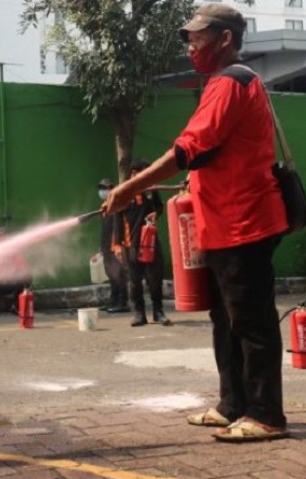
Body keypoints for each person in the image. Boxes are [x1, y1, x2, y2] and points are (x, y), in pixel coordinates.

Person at [102, 4, 289, 440]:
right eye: (188, 39)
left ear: (225, 38)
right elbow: (209, 155)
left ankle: (266, 415)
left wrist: (129, 187)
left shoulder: (231, 82)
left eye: (197, 37)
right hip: (223, 223)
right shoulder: (223, 83)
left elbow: (187, 149)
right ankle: (233, 404)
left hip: (245, 221)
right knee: (225, 318)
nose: (190, 46)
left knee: (251, 321)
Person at [111, 162, 171, 327]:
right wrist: (117, 244)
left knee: (155, 278)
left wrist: (155, 214)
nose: (148, 176)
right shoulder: (124, 192)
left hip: (150, 241)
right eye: (145, 172)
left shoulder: (152, 189)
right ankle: (139, 314)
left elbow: (159, 207)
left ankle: (158, 312)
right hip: (130, 244)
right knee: (135, 280)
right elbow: (117, 219)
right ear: (134, 173)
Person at [97, 178, 130, 313]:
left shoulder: (116, 206)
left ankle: (122, 303)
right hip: (106, 247)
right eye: (101, 188)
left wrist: (117, 245)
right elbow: (106, 230)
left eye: (105, 188)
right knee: (111, 275)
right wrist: (101, 248)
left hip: (115, 247)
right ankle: (114, 301)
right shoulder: (105, 207)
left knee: (118, 274)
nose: (102, 191)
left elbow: (118, 228)